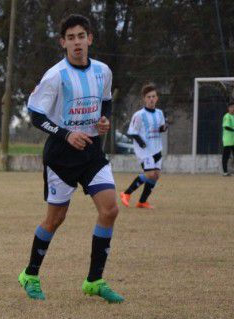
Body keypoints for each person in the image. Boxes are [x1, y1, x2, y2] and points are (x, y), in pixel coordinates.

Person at [18, 13, 123, 304]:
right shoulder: (55, 76)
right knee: (55, 219)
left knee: (110, 210)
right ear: (63, 43)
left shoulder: (103, 71)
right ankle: (30, 274)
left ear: (90, 39)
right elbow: (36, 115)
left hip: (91, 153)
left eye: (82, 36)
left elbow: (106, 103)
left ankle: (94, 280)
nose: (77, 42)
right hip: (61, 157)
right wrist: (65, 134)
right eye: (71, 38)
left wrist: (104, 121)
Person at [121, 84, 167, 209]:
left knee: (156, 175)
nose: (151, 99)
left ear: (157, 98)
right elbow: (131, 132)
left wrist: (164, 128)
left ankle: (142, 202)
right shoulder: (139, 115)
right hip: (144, 151)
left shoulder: (159, 113)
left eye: (153, 96)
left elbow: (161, 128)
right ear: (144, 99)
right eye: (148, 97)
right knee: (149, 174)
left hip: (157, 148)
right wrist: (141, 143)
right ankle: (126, 193)